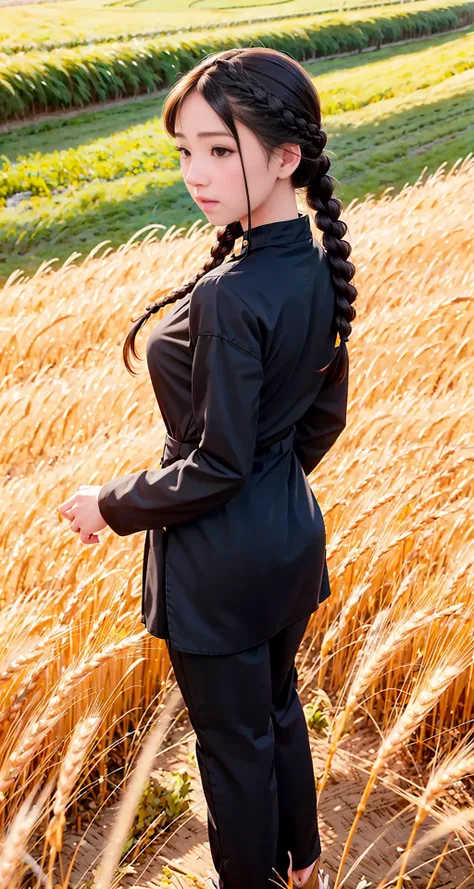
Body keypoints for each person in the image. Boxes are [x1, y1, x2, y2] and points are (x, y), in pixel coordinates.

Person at [58, 47, 356, 889]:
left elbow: (216, 463)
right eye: (185, 150)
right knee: (277, 709)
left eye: (221, 149)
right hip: (289, 540)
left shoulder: (230, 294)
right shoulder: (318, 263)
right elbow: (319, 419)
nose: (197, 171)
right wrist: (269, 486)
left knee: (231, 749)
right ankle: (303, 866)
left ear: (286, 156)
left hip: (221, 566)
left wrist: (108, 504)